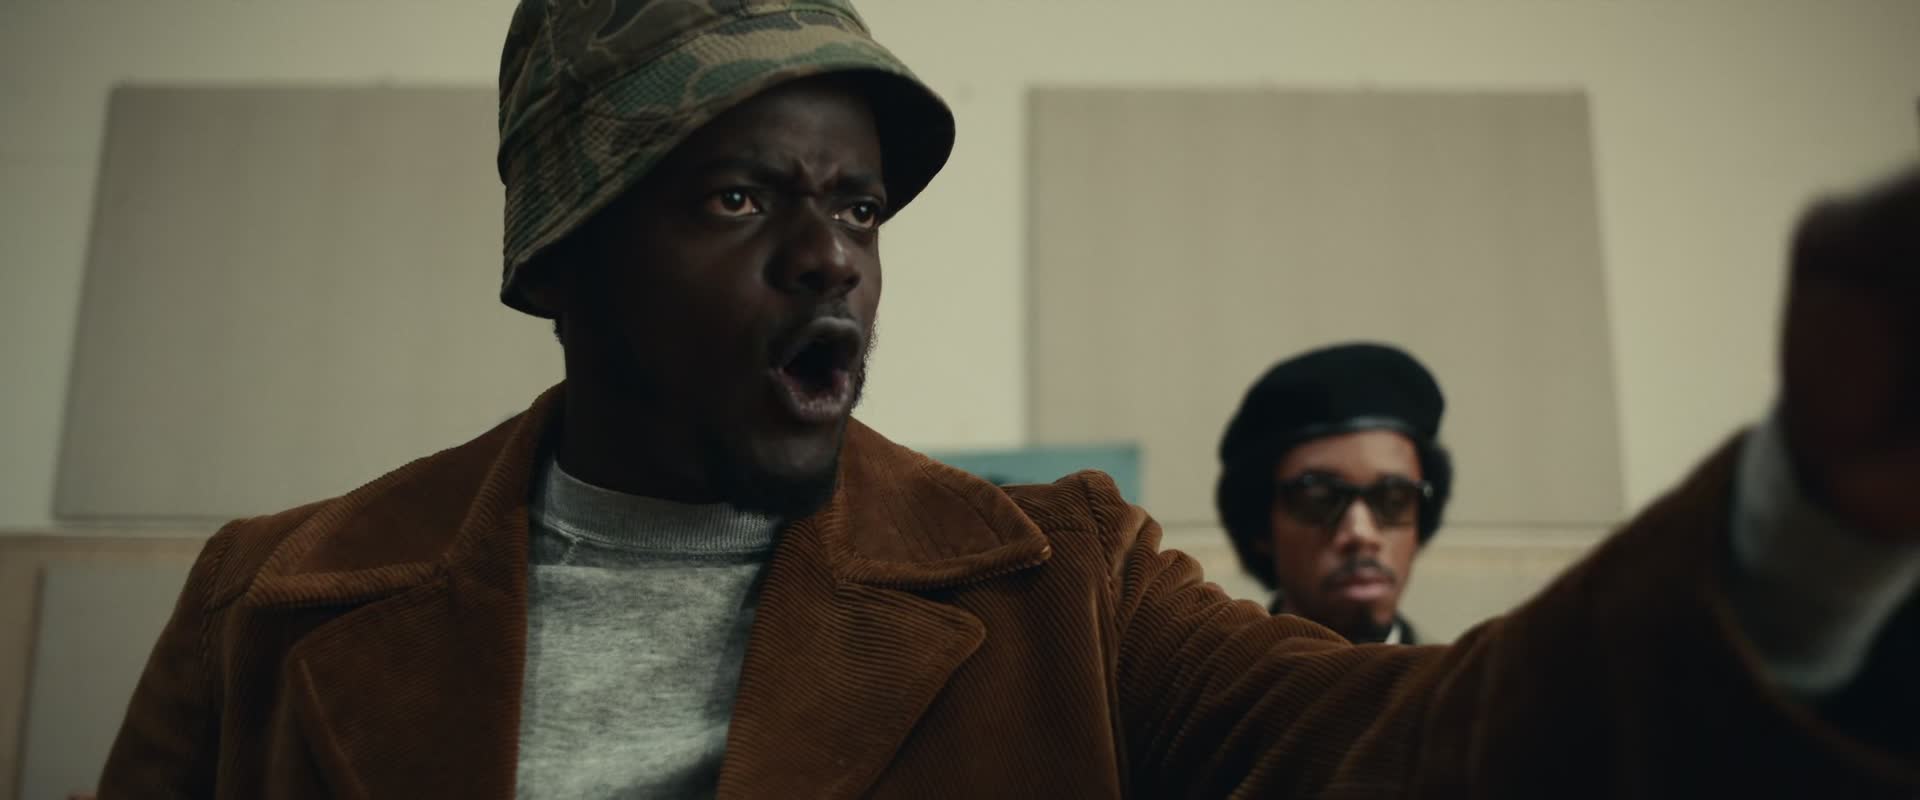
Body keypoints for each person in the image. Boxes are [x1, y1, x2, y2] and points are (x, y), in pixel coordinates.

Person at [98, 1, 1920, 796]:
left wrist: (1805, 537)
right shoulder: (274, 604)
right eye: (738, 200)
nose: (831, 259)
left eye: (858, 206)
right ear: (562, 259)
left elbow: (1416, 754)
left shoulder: (1067, 584)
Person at [1216, 342, 1450, 644]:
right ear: (1261, 527)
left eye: (1393, 500)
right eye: (1319, 500)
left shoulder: (1466, 676)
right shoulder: (1209, 675)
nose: (1361, 533)